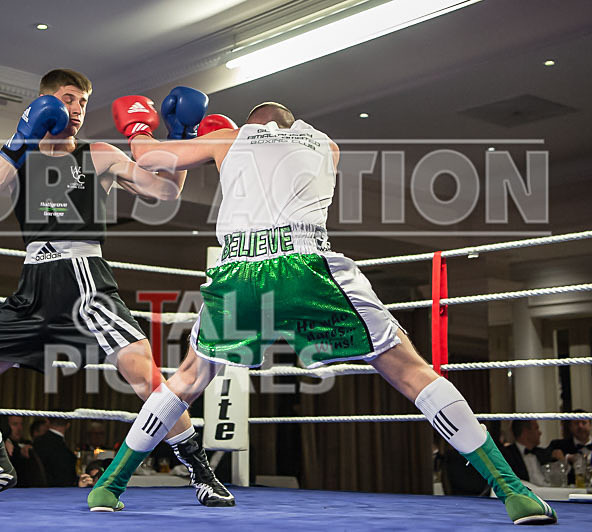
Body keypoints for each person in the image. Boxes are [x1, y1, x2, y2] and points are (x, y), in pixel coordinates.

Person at [86, 101, 557, 525]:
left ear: (250, 124)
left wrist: (165, 131)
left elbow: (146, 158)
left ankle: (109, 485)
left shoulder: (229, 138)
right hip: (307, 265)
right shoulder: (327, 146)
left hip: (240, 271)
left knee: (189, 378)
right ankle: (513, 491)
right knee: (410, 370)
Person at [0, 70, 231, 506]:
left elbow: (165, 192)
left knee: (147, 379)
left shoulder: (98, 154)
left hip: (86, 280)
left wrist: (181, 137)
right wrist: (21, 136)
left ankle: (201, 472)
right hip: (32, 286)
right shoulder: (20, 155)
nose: (77, 109)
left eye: (82, 102)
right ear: (44, 103)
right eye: (68, 99)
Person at [501, 420, 552, 485]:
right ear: (525, 432)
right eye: (536, 428)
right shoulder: (507, 455)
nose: (540, 433)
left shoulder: (542, 453)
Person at [548, 410, 591, 484]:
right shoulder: (558, 445)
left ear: (590, 425)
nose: (580, 426)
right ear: (570, 427)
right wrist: (566, 458)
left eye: (584, 423)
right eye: (576, 423)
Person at [4, 416, 46, 487]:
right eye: (15, 424)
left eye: (21, 424)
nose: (19, 428)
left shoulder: (29, 444)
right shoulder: (2, 445)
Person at [32, 419, 76, 487]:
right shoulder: (66, 454)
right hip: (57, 490)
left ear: (48, 422)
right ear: (68, 425)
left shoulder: (36, 443)